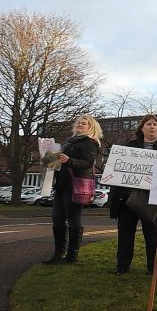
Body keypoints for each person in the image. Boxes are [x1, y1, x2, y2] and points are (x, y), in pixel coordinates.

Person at [108, 114, 157, 276]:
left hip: (153, 198)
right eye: (148, 124)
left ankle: (156, 267)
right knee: (125, 234)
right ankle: (122, 265)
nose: (152, 127)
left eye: (155, 124)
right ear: (141, 128)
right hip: (128, 197)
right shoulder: (130, 145)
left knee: (153, 235)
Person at [43, 114, 102, 265]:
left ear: (91, 127)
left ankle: (71, 256)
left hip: (75, 185)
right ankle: (58, 254)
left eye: (84, 123)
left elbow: (88, 163)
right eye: (79, 123)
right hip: (61, 184)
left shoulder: (90, 142)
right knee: (57, 219)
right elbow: (58, 162)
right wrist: (50, 160)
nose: (80, 125)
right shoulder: (69, 141)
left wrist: (70, 160)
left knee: (73, 219)